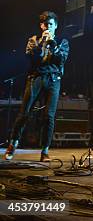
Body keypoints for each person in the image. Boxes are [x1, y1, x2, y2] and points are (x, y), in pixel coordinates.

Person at [4, 11, 70, 162]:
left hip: (53, 80)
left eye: (51, 25)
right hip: (36, 78)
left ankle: (45, 151)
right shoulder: (33, 40)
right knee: (25, 112)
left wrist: (53, 45)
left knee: (49, 116)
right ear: (41, 26)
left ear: (56, 26)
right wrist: (42, 44)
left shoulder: (62, 42)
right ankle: (13, 143)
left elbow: (62, 59)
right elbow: (32, 58)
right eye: (45, 25)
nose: (48, 27)